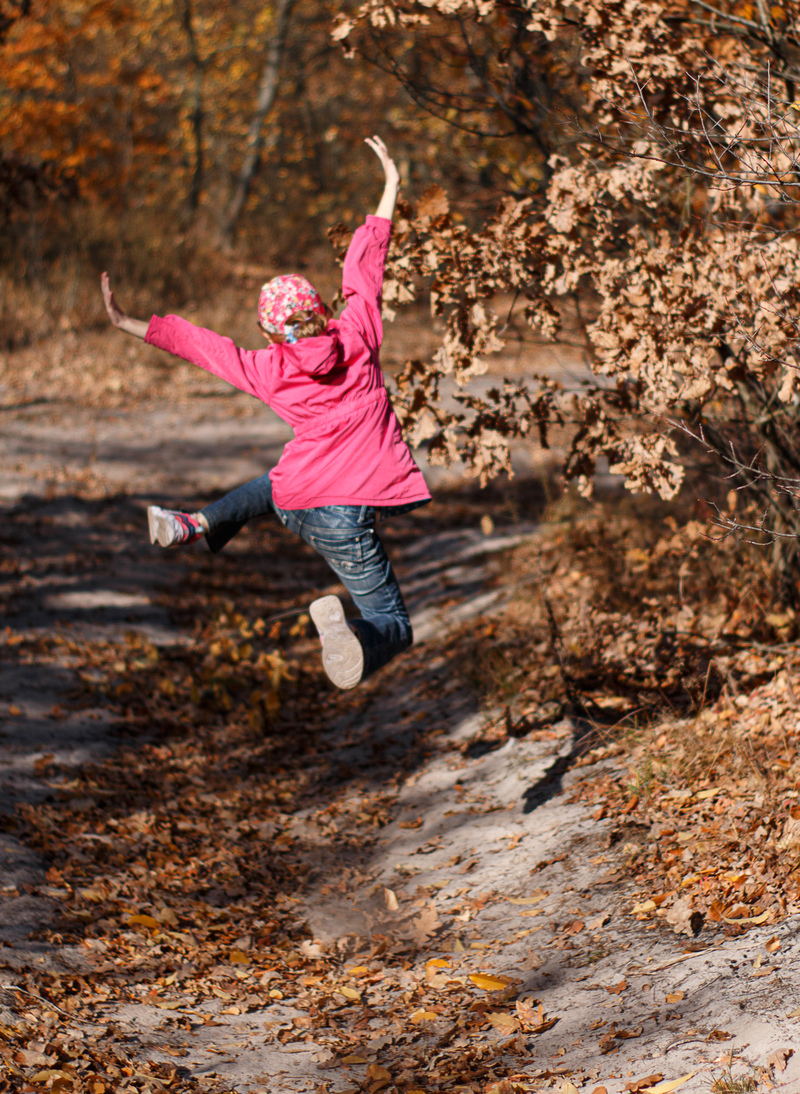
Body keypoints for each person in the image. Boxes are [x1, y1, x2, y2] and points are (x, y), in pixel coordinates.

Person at [101, 136, 431, 691]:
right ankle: (351, 640)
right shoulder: (358, 332)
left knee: (274, 483)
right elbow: (364, 269)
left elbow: (203, 346)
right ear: (322, 311)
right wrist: (391, 187)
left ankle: (194, 523)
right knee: (394, 625)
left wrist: (130, 322)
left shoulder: (265, 367)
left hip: (296, 497)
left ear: (269, 333)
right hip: (342, 517)